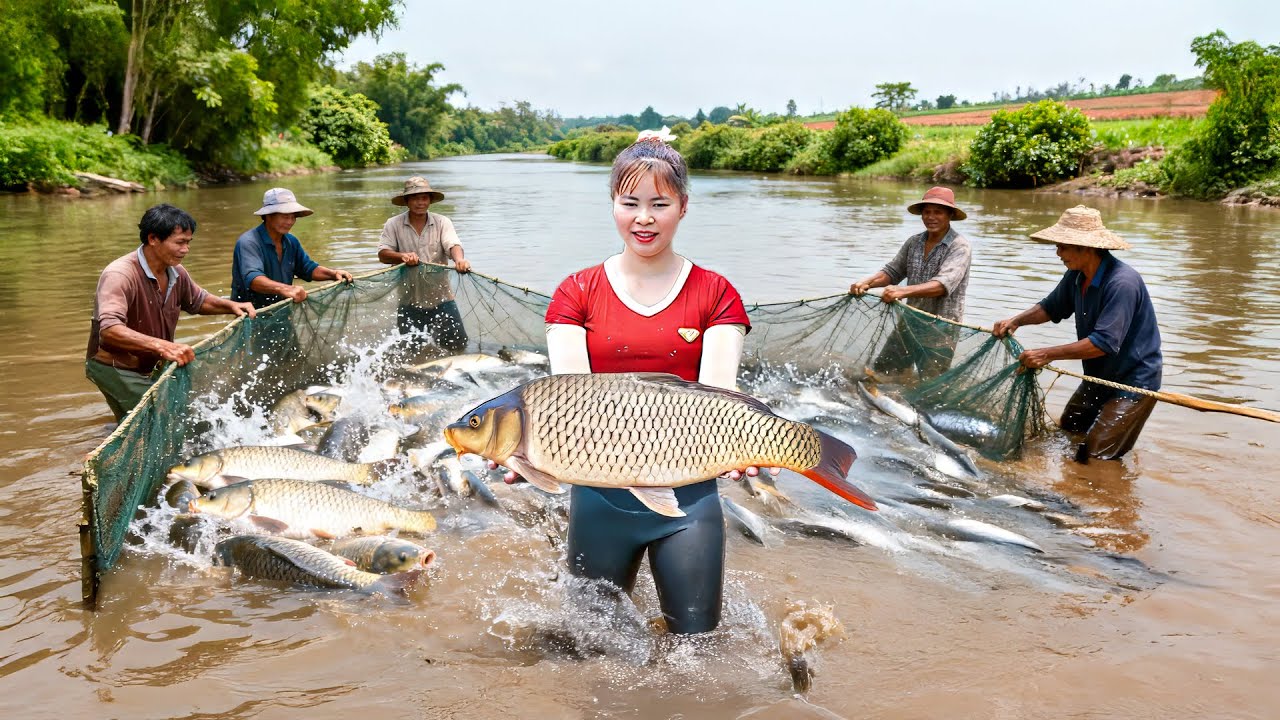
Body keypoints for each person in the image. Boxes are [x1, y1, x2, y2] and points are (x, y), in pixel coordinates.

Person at [536, 127, 761, 635]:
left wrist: (744, 445)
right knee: (588, 645)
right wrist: (532, 453)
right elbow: (568, 402)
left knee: (697, 647)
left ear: (683, 206)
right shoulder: (576, 292)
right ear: (612, 204)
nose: (643, 218)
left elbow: (719, 397)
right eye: (629, 202)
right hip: (598, 496)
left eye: (659, 203)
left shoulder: (715, 293)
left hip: (688, 498)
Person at [992, 205, 1162, 461]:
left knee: (1095, 456)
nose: (1058, 252)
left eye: (1063, 246)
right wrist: (1016, 321)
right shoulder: (1076, 275)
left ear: (1087, 248)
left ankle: (1097, 496)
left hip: (1133, 383)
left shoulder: (1122, 283)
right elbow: (1050, 308)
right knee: (1068, 431)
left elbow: (1103, 343)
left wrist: (1047, 354)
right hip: (1097, 377)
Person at [86, 204, 257, 421]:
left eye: (188, 243)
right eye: (180, 242)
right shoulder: (119, 274)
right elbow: (109, 331)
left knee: (170, 415)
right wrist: (164, 346)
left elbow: (197, 300)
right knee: (160, 419)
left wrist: (231, 305)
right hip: (116, 366)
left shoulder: (175, 271)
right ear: (153, 238)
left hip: (151, 362)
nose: (186, 249)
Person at [849, 186, 973, 378]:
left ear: (949, 215)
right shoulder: (914, 242)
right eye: (927, 212)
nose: (931, 217)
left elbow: (942, 285)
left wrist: (902, 292)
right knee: (883, 372)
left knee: (931, 385)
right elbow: (893, 271)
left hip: (940, 328)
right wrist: (867, 282)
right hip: (910, 319)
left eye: (938, 212)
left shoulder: (959, 246)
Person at [376, 176, 472, 354]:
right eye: (414, 198)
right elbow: (383, 254)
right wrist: (402, 256)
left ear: (429, 200)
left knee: (458, 347)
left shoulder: (442, 222)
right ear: (406, 201)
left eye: (424, 198)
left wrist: (459, 260)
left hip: (442, 298)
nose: (420, 202)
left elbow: (453, 244)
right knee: (412, 352)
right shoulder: (393, 224)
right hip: (408, 301)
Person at [231, 187, 353, 309]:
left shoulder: (291, 241)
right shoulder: (249, 243)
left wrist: (333, 274)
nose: (290, 222)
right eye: (285, 216)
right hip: (250, 317)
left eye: (293, 217)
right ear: (268, 216)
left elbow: (308, 269)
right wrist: (287, 289)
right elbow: (253, 280)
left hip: (282, 313)